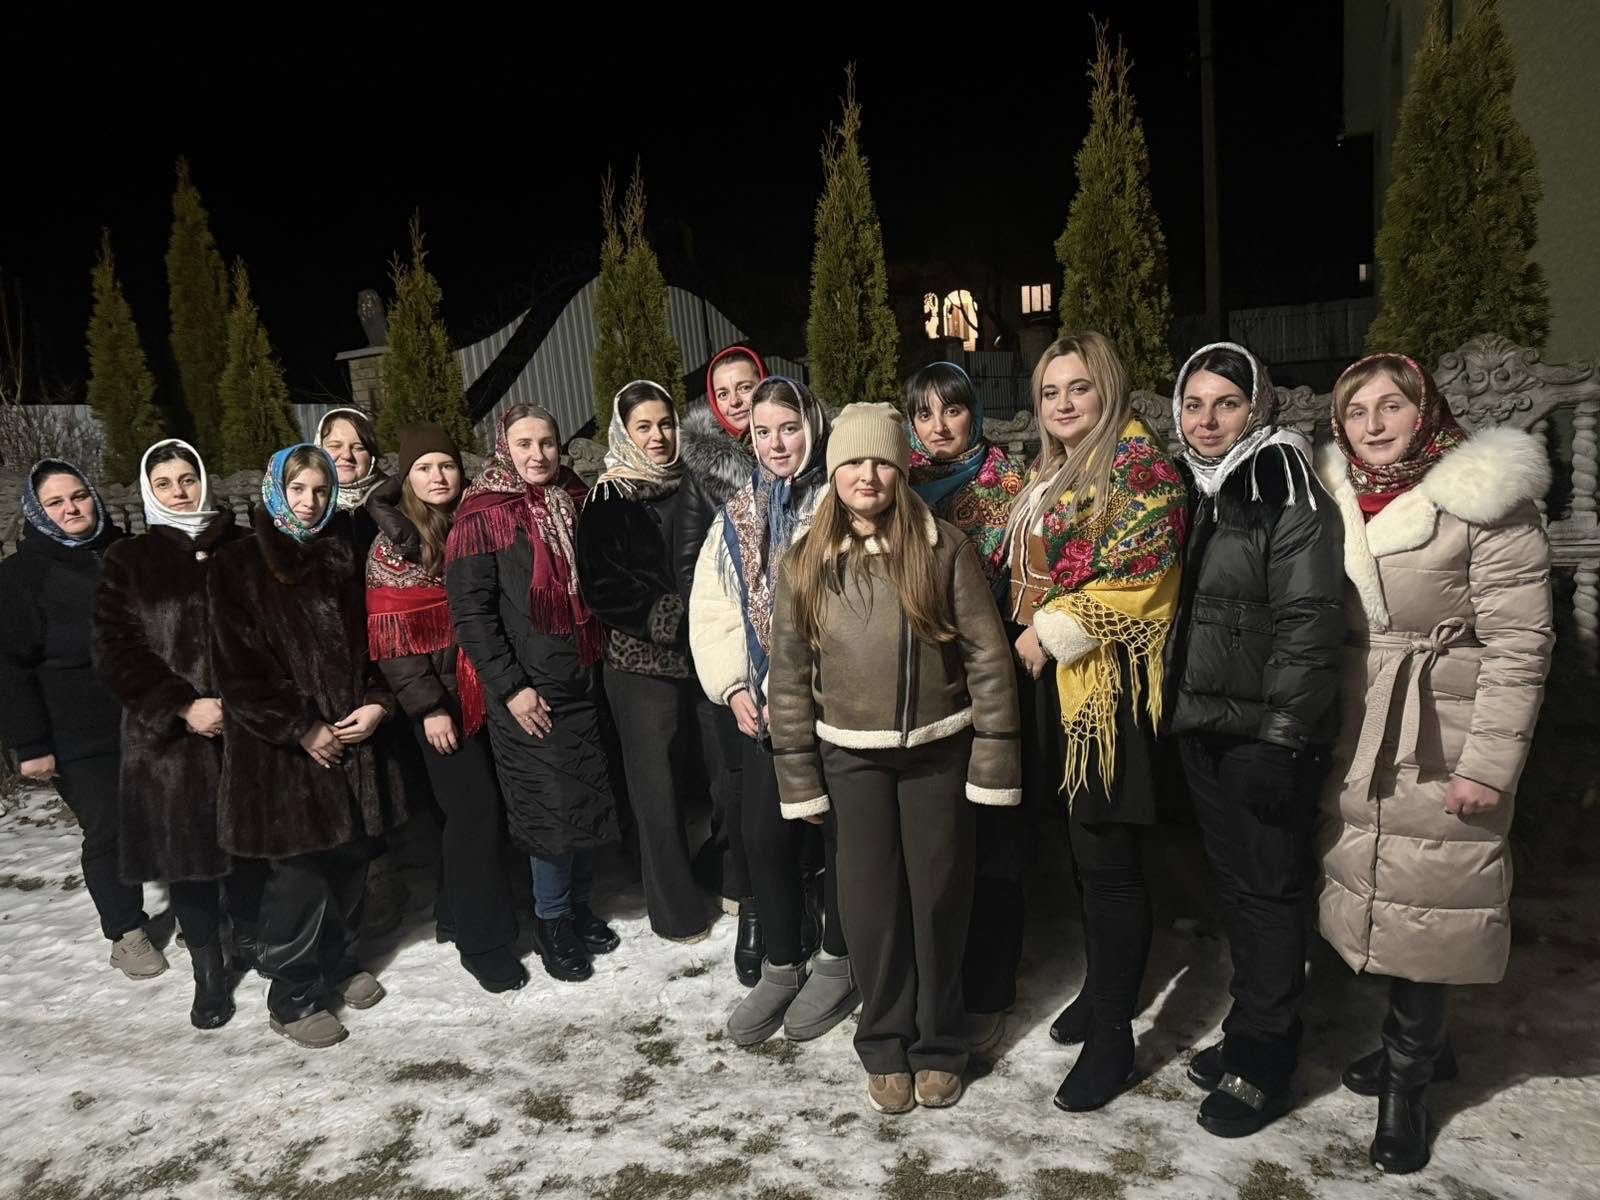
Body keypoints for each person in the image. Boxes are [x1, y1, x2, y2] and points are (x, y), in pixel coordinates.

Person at [1315, 352, 1553, 1174]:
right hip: (1362, 722)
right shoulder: (1337, 496)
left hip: (1441, 728)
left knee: (1432, 899)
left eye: (1391, 405)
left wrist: (1488, 765)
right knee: (1383, 890)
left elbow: (1520, 645)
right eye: (1356, 411)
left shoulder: (1485, 502)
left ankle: (1407, 1084)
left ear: (1426, 411)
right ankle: (1423, 1044)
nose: (1373, 424)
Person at [769, 401, 1020, 1115]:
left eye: (880, 461)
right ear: (833, 472)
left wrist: (994, 757)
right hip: (851, 761)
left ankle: (940, 1043)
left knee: (939, 898)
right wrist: (798, 773)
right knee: (871, 905)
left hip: (938, 754)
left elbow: (987, 658)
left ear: (902, 468)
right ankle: (883, 1040)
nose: (867, 475)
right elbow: (788, 675)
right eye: (852, 462)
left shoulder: (944, 549)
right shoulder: (807, 561)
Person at [1162, 343, 1344, 1136]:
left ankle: (1268, 1054)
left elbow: (1308, 622)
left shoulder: (1283, 484)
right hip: (1203, 724)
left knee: (1269, 890)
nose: (1208, 421)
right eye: (1194, 404)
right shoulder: (1191, 487)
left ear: (1258, 406)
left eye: (1226, 404)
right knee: (1236, 886)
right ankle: (1250, 1022)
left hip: (1261, 735)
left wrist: (1282, 737)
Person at [1003, 332, 1187, 1113]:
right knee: (1082, 853)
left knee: (1108, 860)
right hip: (1060, 690)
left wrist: (1047, 633)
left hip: (1108, 693)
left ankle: (1114, 1035)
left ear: (1107, 389)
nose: (1063, 403)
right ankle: (1104, 987)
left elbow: (1145, 581)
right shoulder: (1052, 470)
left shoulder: (1142, 469)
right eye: (1050, 392)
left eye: (1078, 388)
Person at [210, 445, 402, 1048]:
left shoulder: (342, 556)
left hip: (350, 740)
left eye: (320, 490)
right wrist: (300, 726)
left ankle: (338, 962)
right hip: (283, 756)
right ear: (275, 490)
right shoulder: (238, 565)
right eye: (298, 489)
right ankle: (291, 995)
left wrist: (378, 702)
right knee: (299, 875)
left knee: (350, 861)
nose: (310, 501)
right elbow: (238, 671)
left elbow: (372, 645)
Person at [690, 376, 856, 1045]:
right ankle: (784, 964)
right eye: (763, 432)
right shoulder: (738, 514)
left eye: (789, 427)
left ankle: (840, 961)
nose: (777, 443)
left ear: (813, 426)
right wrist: (734, 686)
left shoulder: (841, 501)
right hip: (766, 706)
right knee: (765, 835)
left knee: (841, 836)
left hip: (837, 705)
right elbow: (714, 607)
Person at [446, 405, 620, 983]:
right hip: (527, 689)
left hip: (580, 676)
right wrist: (512, 687)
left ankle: (578, 907)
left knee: (585, 801)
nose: (538, 454)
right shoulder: (483, 516)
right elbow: (472, 616)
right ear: (505, 447)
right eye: (524, 444)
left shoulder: (572, 497)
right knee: (550, 813)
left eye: (546, 442)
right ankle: (551, 921)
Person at [93, 440, 251, 1027]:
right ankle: (209, 968)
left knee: (254, 846)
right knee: (188, 858)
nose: (179, 492)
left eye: (187, 479)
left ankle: (254, 940)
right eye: (164, 483)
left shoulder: (242, 545)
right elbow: (117, 650)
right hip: (169, 741)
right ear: (148, 491)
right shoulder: (129, 559)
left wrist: (251, 700)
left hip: (246, 725)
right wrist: (183, 706)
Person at [366, 424, 527, 994]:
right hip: (440, 705)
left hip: (490, 690)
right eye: (424, 468)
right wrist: (430, 706)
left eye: (447, 465)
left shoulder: (476, 523)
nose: (438, 477)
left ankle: (458, 913)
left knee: (486, 811)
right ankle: (483, 943)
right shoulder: (393, 545)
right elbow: (392, 641)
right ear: (407, 477)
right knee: (474, 813)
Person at [904, 360, 1028, 1052]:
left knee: (994, 837)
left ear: (973, 414)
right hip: (922, 690)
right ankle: (934, 978)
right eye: (923, 414)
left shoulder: (1009, 485)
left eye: (952, 410)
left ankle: (990, 984)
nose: (939, 427)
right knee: (937, 843)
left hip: (991, 676)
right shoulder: (899, 487)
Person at [0, 459, 163, 978]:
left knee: (171, 811)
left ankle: (200, 904)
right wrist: (30, 745)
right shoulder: (21, 576)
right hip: (77, 729)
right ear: (36, 511)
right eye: (55, 502)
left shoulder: (126, 553)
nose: (71, 509)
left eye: (78, 496)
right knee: (110, 825)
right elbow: (8, 666)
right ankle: (126, 931)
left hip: (149, 713)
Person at [576, 381, 719, 942]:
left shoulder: (695, 482)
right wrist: (673, 618)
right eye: (644, 427)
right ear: (624, 432)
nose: (658, 436)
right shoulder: (608, 498)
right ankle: (676, 909)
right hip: (641, 669)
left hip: (706, 657)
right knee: (656, 793)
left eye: (665, 424)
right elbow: (603, 586)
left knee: (719, 776)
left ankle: (725, 875)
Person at [679, 344, 768, 965]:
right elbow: (694, 574)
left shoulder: (795, 450)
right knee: (735, 784)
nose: (737, 400)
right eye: (725, 391)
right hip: (731, 651)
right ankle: (747, 895)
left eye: (747, 386)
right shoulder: (700, 472)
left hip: (792, 653)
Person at [318, 407, 386, 560]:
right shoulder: (304, 503)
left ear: (371, 455)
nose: (347, 455)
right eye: (335, 446)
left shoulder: (397, 500)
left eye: (358, 448)